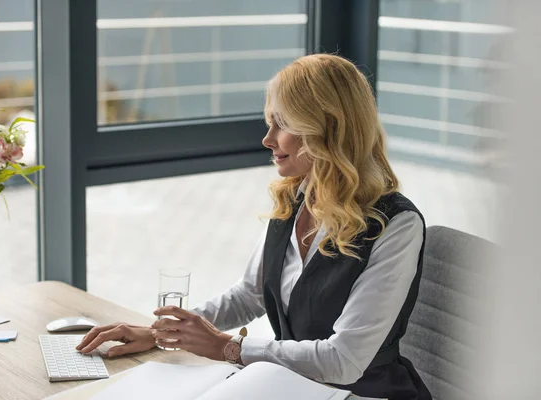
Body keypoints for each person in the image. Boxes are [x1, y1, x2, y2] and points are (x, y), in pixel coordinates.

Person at [76, 54, 432, 400]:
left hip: (363, 392)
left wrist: (229, 348)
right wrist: (163, 333)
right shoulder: (295, 199)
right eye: (269, 122)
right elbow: (249, 294)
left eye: (283, 124)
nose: (268, 139)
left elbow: (344, 361)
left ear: (327, 130)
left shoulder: (395, 226)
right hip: (289, 384)